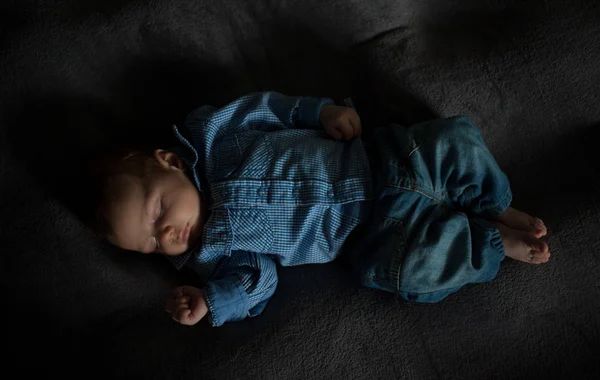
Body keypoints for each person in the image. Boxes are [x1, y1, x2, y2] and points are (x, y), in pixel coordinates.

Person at [86, 91, 550, 327]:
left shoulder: (214, 138)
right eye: (149, 244)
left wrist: (318, 111)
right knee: (418, 270)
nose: (165, 234)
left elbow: (267, 109)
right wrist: (214, 300)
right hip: (375, 235)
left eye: (158, 210)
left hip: (378, 157)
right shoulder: (213, 254)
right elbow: (260, 280)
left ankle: (494, 203)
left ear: (170, 162)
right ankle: (490, 242)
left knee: (453, 140)